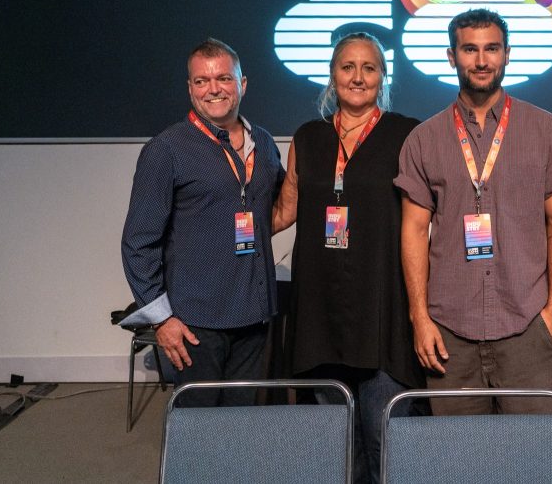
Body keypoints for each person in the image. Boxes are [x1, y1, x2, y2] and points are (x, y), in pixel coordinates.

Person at [394, 8, 552, 415]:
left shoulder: (546, 131)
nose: (481, 60)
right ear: (451, 56)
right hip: (450, 332)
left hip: (527, 327)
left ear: (508, 54)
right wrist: (420, 319)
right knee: (459, 460)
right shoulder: (423, 140)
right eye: (470, 49)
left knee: (534, 459)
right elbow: (413, 232)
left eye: (492, 49)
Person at [272, 32, 420, 484]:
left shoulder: (407, 134)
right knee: (335, 441)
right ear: (332, 76)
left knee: (385, 435)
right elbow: (284, 210)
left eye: (369, 68)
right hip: (320, 307)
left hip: (382, 307)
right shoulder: (308, 137)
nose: (358, 77)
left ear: (383, 76)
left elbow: (426, 217)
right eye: (347, 67)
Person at [120, 38, 284, 407]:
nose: (213, 89)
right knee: (198, 432)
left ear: (242, 84)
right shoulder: (166, 149)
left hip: (254, 317)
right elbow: (138, 242)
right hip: (195, 323)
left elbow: (278, 204)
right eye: (201, 81)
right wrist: (162, 320)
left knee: (242, 428)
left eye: (224, 78)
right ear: (190, 88)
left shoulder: (264, 142)